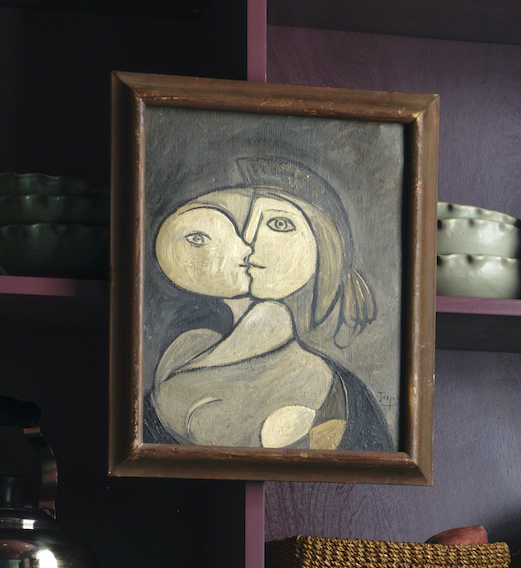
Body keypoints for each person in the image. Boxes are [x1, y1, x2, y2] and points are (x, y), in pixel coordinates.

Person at [150, 157, 392, 451]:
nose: (248, 239)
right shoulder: (186, 350)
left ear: (322, 248)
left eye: (278, 224)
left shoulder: (333, 389)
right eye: (241, 222)